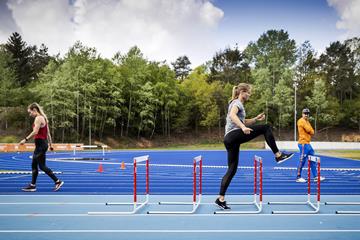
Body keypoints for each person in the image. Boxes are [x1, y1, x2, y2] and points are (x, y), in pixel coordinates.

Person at [215, 83, 294, 210]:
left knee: (232, 169)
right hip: (233, 135)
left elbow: (243, 120)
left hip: (229, 139)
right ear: (242, 92)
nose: (249, 95)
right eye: (248, 93)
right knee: (266, 128)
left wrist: (255, 119)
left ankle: (220, 198)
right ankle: (278, 155)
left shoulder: (237, 104)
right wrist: (243, 127)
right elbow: (233, 116)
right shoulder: (237, 103)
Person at [19, 103, 64, 192]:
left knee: (42, 166)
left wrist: (25, 139)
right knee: (34, 165)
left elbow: (35, 132)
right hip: (41, 145)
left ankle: (57, 181)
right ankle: (32, 185)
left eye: (30, 112)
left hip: (41, 145)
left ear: (34, 110)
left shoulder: (38, 118)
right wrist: (50, 145)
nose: (30, 114)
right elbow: (48, 134)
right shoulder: (43, 118)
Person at [296, 108, 325, 183]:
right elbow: (309, 130)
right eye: (305, 113)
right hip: (303, 143)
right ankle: (298, 177)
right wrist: (310, 131)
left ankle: (316, 176)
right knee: (302, 160)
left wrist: (311, 131)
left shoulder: (307, 121)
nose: (306, 115)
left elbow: (312, 131)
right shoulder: (301, 121)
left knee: (313, 159)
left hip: (308, 143)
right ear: (302, 114)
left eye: (307, 113)